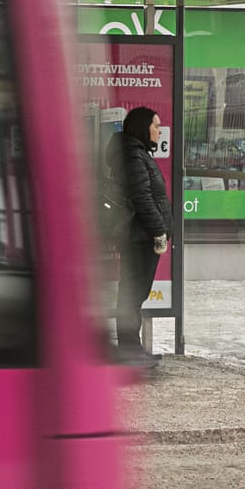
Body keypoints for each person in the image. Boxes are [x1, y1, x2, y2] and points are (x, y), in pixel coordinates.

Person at [106, 106, 170, 367]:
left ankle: (134, 349)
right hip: (139, 237)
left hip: (141, 235)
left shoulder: (138, 153)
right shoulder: (134, 157)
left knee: (136, 294)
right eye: (155, 125)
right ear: (143, 127)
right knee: (132, 294)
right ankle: (129, 350)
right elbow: (142, 198)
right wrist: (158, 231)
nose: (159, 130)